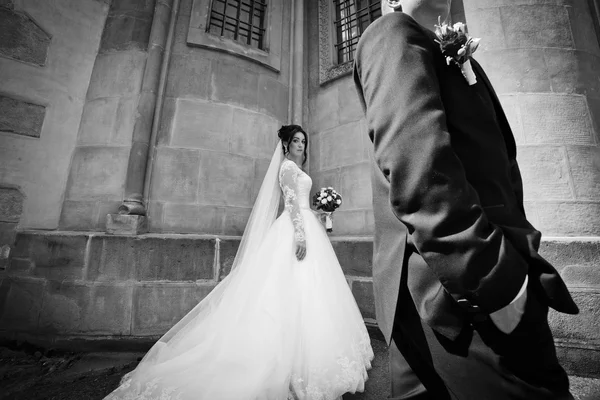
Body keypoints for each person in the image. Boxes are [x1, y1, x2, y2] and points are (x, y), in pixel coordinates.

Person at [353, 1, 579, 399]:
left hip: (483, 281)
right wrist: (499, 287)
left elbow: (502, 171)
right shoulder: (393, 34)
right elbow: (420, 174)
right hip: (457, 297)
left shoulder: (460, 58)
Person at [103, 124, 373, 400]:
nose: (301, 145)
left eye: (304, 141)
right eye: (296, 141)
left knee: (313, 291)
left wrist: (320, 211)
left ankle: (311, 354)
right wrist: (301, 236)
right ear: (286, 144)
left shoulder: (298, 169)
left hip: (307, 224)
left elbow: (302, 205)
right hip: (295, 230)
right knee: (286, 289)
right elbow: (291, 204)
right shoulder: (287, 169)